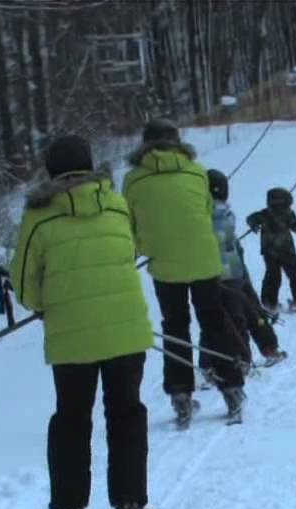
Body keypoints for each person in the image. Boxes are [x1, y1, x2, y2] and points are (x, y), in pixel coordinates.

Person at [9, 135, 154, 509]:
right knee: (126, 415)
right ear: (90, 166)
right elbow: (127, 255)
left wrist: (47, 303)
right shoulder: (115, 203)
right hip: (126, 332)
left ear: (50, 171)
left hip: (71, 339)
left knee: (71, 421)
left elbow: (24, 287)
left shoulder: (39, 217)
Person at [122, 118, 246, 427]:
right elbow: (205, 211)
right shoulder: (196, 172)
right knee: (213, 321)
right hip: (204, 258)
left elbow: (129, 222)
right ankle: (231, 386)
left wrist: (145, 246)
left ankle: (179, 394)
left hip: (164, 263)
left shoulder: (133, 180)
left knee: (175, 326)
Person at [199, 170, 286, 382]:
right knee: (238, 313)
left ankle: (259, 350)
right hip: (226, 272)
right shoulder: (213, 212)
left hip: (229, 269)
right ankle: (248, 354)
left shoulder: (211, 212)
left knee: (235, 313)